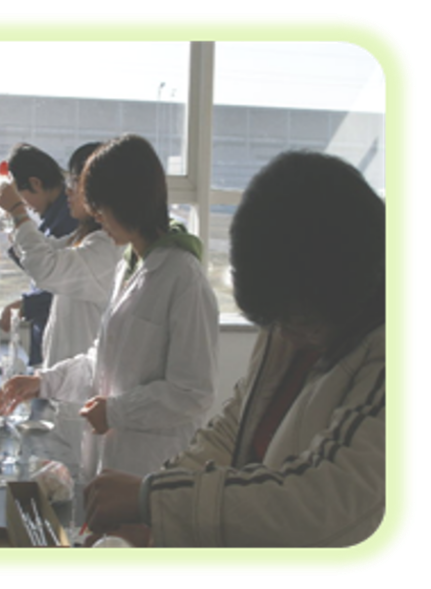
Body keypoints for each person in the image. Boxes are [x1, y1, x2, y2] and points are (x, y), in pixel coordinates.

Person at [83, 150, 386, 548]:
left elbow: (322, 502)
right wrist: (156, 503)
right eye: (276, 323)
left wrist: (152, 500)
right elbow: (235, 426)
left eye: (297, 322)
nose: (287, 336)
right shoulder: (288, 323)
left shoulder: (390, 358)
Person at [0, 134, 219, 482]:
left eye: (101, 207)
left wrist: (115, 411)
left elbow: (192, 393)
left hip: (153, 467)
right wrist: (43, 382)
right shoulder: (129, 266)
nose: (97, 217)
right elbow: (101, 363)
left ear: (127, 201)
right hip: (110, 458)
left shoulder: (183, 278)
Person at [0, 142, 122, 370]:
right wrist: (15, 220)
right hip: (65, 375)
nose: (68, 190)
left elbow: (46, 267)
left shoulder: (105, 247)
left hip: (83, 379)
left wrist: (18, 212)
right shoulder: (83, 236)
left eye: (76, 182)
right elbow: (47, 250)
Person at [0, 143, 79, 367]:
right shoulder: (51, 220)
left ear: (35, 183)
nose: (25, 207)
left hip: (66, 346)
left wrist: (26, 306)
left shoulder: (69, 220)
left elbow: (66, 284)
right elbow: (40, 266)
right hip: (46, 336)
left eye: (20, 198)